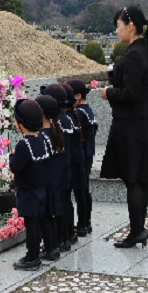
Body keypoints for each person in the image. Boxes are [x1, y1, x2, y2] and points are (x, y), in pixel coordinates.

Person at [98, 5, 148, 249]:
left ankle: (137, 231)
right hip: (137, 125)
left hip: (131, 127)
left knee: (134, 180)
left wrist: (108, 93)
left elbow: (131, 93)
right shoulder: (141, 51)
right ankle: (138, 229)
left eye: (118, 25)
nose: (116, 30)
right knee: (138, 179)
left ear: (131, 26)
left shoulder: (136, 54)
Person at [9, 99, 50, 270]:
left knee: (30, 225)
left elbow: (16, 166)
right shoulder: (42, 139)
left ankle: (32, 256)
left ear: (21, 125)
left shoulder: (23, 144)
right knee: (38, 222)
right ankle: (37, 252)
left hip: (28, 192)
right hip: (41, 188)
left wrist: (12, 155)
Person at [41, 84, 73, 252]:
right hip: (65, 168)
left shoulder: (56, 125)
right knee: (64, 204)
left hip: (59, 171)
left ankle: (61, 239)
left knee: (59, 207)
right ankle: (65, 237)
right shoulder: (63, 121)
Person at [66, 79, 97, 236]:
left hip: (81, 156)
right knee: (84, 190)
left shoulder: (79, 113)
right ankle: (86, 223)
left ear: (77, 96)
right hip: (88, 154)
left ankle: (83, 224)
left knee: (80, 191)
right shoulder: (88, 110)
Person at [35, 95, 65, 261]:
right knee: (51, 216)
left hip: (46, 182)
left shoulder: (43, 137)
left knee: (44, 217)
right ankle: (53, 246)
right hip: (54, 182)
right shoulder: (55, 132)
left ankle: (49, 247)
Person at [59, 83, 87, 246]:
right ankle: (71, 232)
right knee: (70, 199)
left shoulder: (64, 120)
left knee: (67, 200)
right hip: (75, 162)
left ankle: (66, 235)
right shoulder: (70, 118)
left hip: (70, 164)